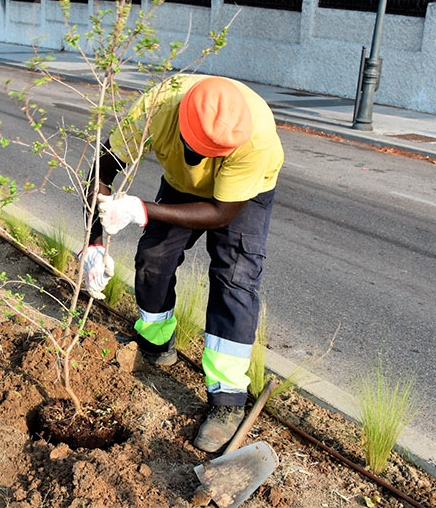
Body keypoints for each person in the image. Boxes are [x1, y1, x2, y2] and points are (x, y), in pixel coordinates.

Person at [82, 75, 284, 453]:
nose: (206, 156)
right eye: (200, 147)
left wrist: (143, 209)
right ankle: (157, 344)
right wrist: (93, 241)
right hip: (180, 183)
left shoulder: (256, 138)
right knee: (153, 259)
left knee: (235, 279)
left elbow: (222, 212)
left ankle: (227, 399)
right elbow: (102, 171)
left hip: (242, 196)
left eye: (214, 151)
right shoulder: (156, 109)